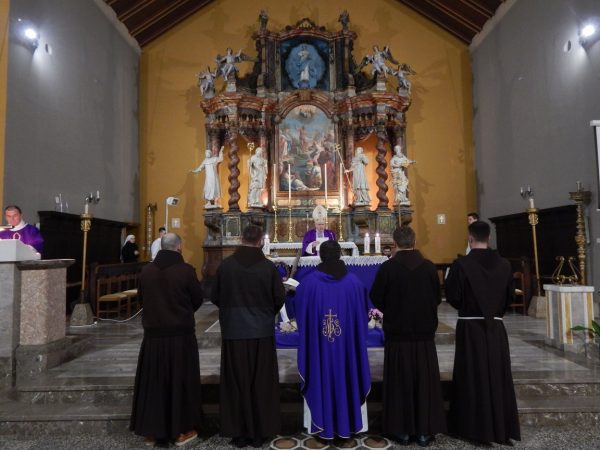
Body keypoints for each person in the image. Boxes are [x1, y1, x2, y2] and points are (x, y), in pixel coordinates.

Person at [445, 220, 521, 445]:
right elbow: (509, 297)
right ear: (488, 238)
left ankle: (472, 428)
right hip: (495, 327)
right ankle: (500, 428)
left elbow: (453, 296)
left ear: (470, 238)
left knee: (471, 375)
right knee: (497, 375)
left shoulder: (461, 265)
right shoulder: (505, 265)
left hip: (470, 328)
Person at [370, 227, 446, 447]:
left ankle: (401, 430)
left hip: (398, 335)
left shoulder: (388, 268)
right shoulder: (429, 267)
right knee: (424, 381)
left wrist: (392, 310)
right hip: (423, 336)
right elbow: (437, 298)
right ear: (414, 241)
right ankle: (424, 431)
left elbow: (376, 297)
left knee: (399, 382)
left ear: (395, 244)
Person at [211, 225, 285, 448]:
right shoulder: (268, 267)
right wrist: (264, 315)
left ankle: (238, 432)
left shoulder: (226, 266)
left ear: (241, 238)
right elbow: (278, 298)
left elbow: (215, 296)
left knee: (236, 382)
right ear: (261, 241)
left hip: (234, 331)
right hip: (261, 331)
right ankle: (260, 431)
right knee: (261, 382)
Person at [130, 233, 204, 447]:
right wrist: (181, 313)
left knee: (153, 382)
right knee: (180, 381)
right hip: (180, 336)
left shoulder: (146, 271)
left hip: (153, 338)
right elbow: (197, 299)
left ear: (161, 247)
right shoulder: (186, 271)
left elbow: (141, 300)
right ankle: (181, 430)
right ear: (179, 247)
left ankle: (152, 431)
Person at [295, 240, 371, 442]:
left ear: (320, 256)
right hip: (346, 350)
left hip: (320, 350)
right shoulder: (355, 284)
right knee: (348, 373)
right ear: (340, 255)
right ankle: (349, 422)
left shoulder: (308, 285)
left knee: (319, 374)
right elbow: (362, 320)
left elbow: (301, 318)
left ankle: (321, 423)